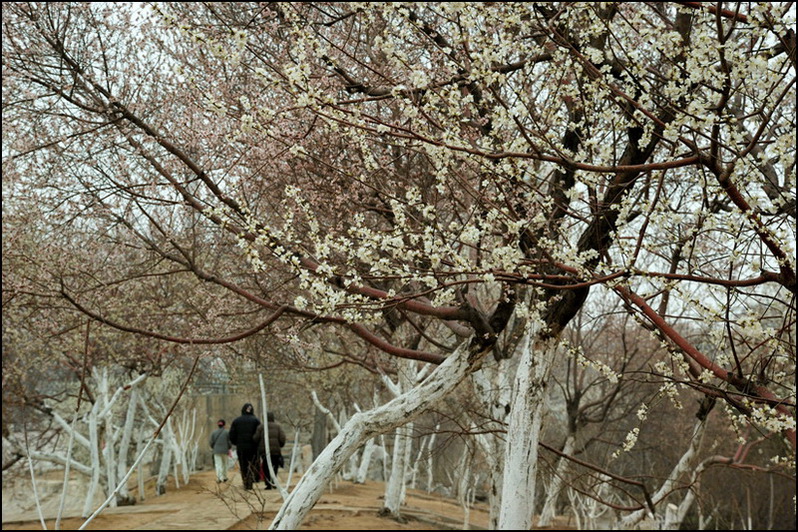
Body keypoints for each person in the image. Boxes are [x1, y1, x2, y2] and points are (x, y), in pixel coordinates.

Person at [228, 403, 261, 490]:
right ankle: (251, 480)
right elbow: (260, 434)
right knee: (253, 464)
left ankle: (246, 482)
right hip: (253, 447)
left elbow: (231, 435)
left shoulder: (236, 421)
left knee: (243, 465)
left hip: (241, 447)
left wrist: (236, 443)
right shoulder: (256, 421)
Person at [254, 412, 286, 490]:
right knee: (274, 466)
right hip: (275, 450)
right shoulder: (278, 427)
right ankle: (274, 481)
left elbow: (256, 438)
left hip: (264, 451)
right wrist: (280, 445)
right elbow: (282, 438)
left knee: (266, 466)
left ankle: (268, 483)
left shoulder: (261, 427)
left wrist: (258, 445)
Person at [209, 419, 231, 483]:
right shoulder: (227, 432)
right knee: (224, 464)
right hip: (225, 451)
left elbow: (211, 442)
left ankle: (219, 478)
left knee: (218, 464)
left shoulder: (214, 432)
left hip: (216, 451)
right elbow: (229, 442)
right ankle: (224, 477)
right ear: (224, 425)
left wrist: (214, 447)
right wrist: (228, 447)